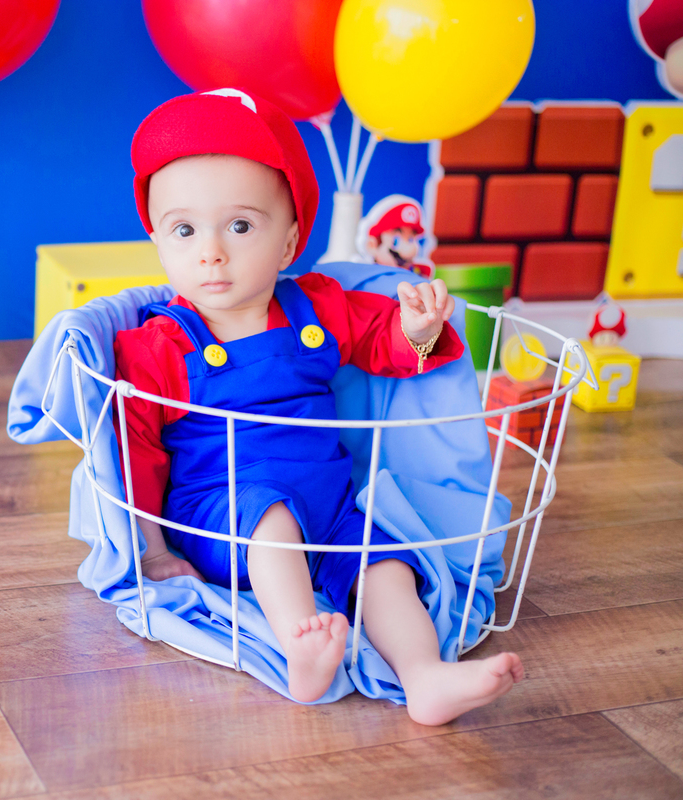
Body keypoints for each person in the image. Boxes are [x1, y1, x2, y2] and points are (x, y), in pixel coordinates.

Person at [114, 88, 524, 725]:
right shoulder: (161, 342)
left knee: (385, 560)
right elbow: (132, 447)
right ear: (159, 241)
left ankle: (424, 676)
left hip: (330, 504)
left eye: (241, 225)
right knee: (270, 515)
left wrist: (418, 326)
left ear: (288, 242)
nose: (211, 251)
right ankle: (301, 646)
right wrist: (153, 546)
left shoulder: (317, 307)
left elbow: (388, 346)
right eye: (184, 229)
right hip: (224, 509)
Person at [357, 195, 435, 278]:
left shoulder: (417, 272)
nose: (409, 249)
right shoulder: (368, 274)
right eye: (396, 241)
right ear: (372, 245)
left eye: (410, 240)